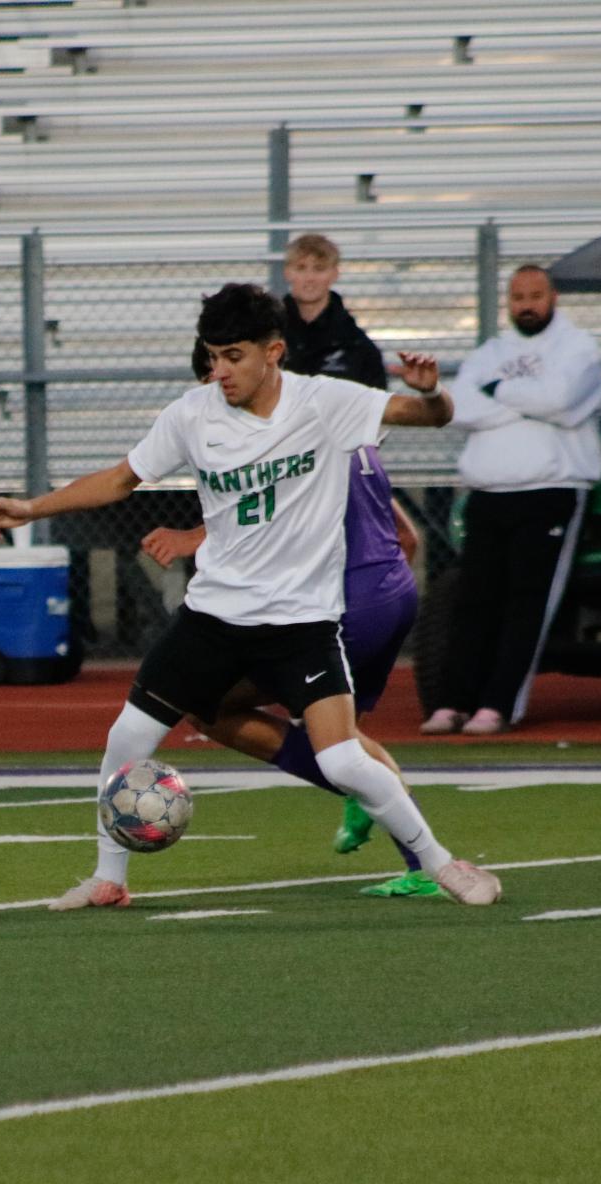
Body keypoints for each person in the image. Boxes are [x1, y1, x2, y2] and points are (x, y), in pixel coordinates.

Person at [0, 284, 501, 910]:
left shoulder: (323, 401)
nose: (218, 371)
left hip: (302, 622)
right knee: (127, 738)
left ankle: (444, 864)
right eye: (211, 357)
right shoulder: (192, 413)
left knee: (341, 761)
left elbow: (431, 418)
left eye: (232, 356)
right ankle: (108, 878)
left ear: (273, 351)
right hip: (214, 619)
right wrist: (31, 507)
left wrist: (430, 391)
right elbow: (121, 479)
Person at [142, 340, 436, 897]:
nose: (218, 385)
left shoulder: (280, 430)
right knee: (341, 736)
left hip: (345, 600)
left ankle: (412, 851)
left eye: (224, 369)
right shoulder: (334, 409)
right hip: (392, 589)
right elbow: (407, 535)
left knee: (208, 704)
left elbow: (263, 511)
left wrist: (192, 539)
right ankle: (388, 822)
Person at [420, 264, 601, 736]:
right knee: (474, 603)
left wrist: (497, 392)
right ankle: (453, 703)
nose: (526, 304)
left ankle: (500, 705)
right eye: (518, 295)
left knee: (527, 605)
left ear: (553, 297)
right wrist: (526, 402)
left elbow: (561, 399)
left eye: (535, 294)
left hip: (551, 491)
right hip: (488, 493)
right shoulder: (490, 351)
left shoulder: (578, 348)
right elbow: (460, 408)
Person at [280, 233, 389, 390]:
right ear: (287, 272)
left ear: (335, 274)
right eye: (301, 268)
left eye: (319, 269)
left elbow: (375, 407)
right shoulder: (268, 335)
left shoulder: (356, 344)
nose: (310, 278)